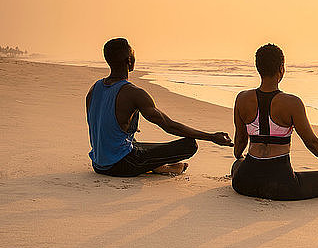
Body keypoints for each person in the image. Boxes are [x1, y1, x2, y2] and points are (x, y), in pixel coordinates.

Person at [86, 38, 232, 177]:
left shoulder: (94, 89)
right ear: (129, 61)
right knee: (189, 144)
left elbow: (100, 127)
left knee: (132, 142)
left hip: (98, 164)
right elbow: (169, 126)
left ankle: (156, 165)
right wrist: (211, 137)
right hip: (121, 165)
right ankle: (157, 166)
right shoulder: (134, 93)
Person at [231, 43, 318, 200]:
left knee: (237, 165)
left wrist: (239, 155)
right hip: (281, 185)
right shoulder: (292, 103)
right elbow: (312, 142)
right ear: (281, 69)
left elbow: (240, 140)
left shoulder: (242, 98)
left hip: (244, 183)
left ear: (258, 68)